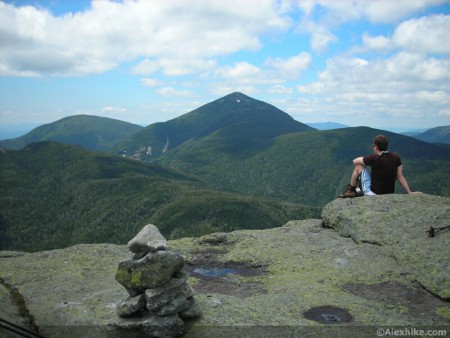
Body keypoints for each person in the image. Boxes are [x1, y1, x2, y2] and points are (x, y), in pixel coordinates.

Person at [339, 134, 419, 198]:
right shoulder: (396, 157)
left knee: (358, 167)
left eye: (373, 145)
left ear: (376, 146)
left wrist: (366, 160)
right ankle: (357, 189)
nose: (373, 147)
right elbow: (400, 176)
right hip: (389, 193)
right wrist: (409, 192)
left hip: (373, 194)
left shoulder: (374, 158)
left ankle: (351, 190)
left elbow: (355, 161)